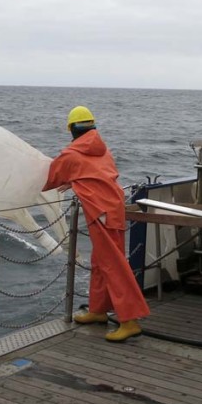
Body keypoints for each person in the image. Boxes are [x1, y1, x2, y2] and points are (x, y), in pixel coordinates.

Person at [43, 106, 149, 342]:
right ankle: (98, 310)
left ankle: (129, 320)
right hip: (113, 208)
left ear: (71, 129)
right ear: (92, 127)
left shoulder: (71, 155)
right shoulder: (102, 150)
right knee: (102, 261)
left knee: (113, 264)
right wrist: (75, 180)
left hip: (100, 212)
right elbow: (95, 173)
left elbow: (49, 179)